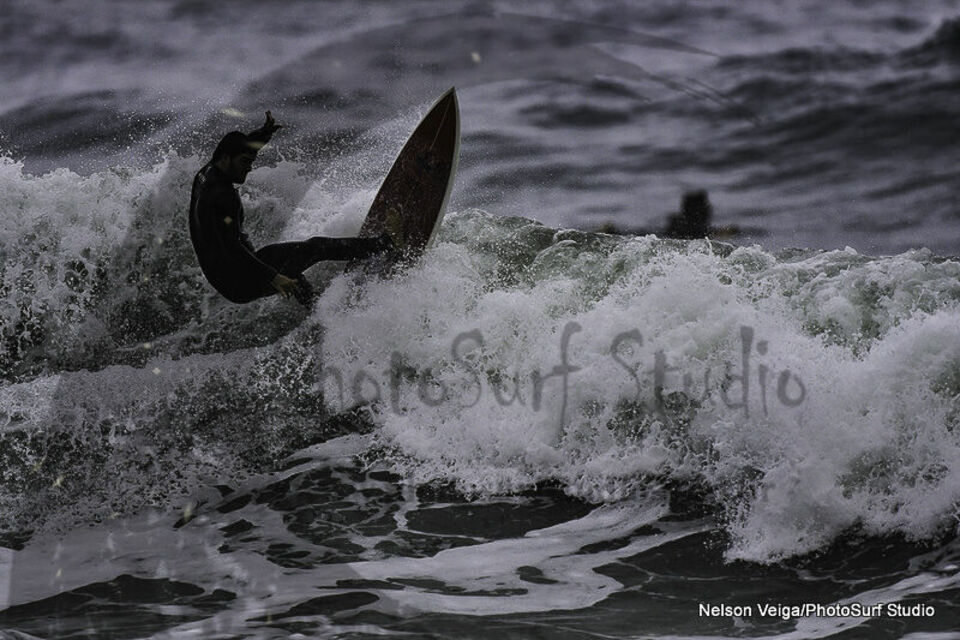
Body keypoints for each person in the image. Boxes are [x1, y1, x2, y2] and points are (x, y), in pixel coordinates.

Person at [189, 111, 398, 305]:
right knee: (316, 247)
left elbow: (240, 147)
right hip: (239, 283)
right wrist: (273, 277)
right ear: (225, 159)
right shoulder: (222, 197)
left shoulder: (206, 174)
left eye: (250, 160)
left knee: (294, 263)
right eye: (245, 161)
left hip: (228, 275)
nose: (249, 167)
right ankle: (385, 244)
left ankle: (315, 312)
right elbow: (232, 248)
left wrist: (263, 134)